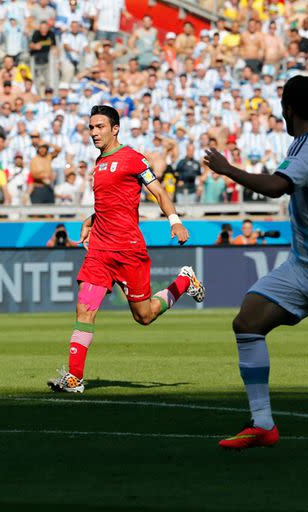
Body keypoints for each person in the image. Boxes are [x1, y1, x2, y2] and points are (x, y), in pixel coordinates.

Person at [49, 105, 205, 394]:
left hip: (128, 250)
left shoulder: (132, 158)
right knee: (84, 309)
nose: (94, 132)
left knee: (144, 316)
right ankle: (74, 378)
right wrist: (90, 220)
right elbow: (109, 204)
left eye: (99, 127)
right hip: (99, 251)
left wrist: (175, 221)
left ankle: (184, 280)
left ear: (115, 129)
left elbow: (157, 191)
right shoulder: (98, 164)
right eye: (91, 127)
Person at [203, 75, 308, 450]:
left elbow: (277, 187)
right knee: (248, 321)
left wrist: (228, 169)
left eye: (282, 103)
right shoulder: (300, 144)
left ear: (290, 108)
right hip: (303, 266)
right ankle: (262, 423)